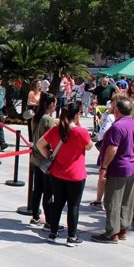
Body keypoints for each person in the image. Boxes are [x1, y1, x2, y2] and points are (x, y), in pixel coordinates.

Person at [37, 102, 93, 246]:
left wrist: (49, 154)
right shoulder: (81, 131)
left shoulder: (56, 129)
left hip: (57, 172)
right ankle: (71, 237)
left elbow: (39, 144)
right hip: (76, 174)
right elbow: (89, 146)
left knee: (57, 203)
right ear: (76, 115)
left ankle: (52, 232)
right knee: (73, 206)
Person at [92, 98, 134, 244]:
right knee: (127, 200)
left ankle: (111, 233)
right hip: (132, 166)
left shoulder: (117, 127)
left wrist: (104, 167)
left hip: (118, 167)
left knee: (113, 201)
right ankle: (123, 229)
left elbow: (112, 148)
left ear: (117, 110)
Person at [29, 93, 57, 228]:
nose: (56, 105)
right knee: (48, 191)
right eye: (54, 103)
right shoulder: (48, 120)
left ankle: (35, 216)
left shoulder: (36, 116)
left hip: (35, 157)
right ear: (50, 104)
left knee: (38, 188)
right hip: (44, 158)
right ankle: (49, 220)